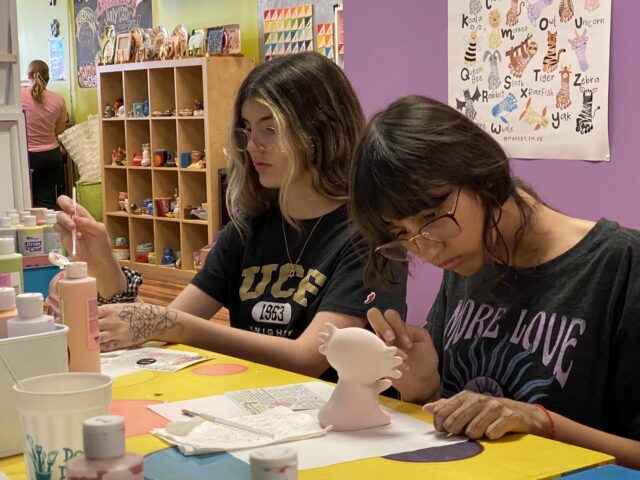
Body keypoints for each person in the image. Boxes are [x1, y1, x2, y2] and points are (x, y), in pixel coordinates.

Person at [55, 52, 407, 380]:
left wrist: (172, 324)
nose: (252, 145)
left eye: (270, 128)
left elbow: (310, 358)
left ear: (320, 132)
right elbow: (159, 328)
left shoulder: (368, 236)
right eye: (247, 128)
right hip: (258, 409)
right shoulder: (248, 230)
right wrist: (104, 264)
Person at [349, 95, 640, 468]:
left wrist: (540, 422)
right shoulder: (467, 261)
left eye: (432, 215)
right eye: (403, 235)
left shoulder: (621, 267)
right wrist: (424, 389)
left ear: (483, 175)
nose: (427, 250)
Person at [21, 60, 67, 209]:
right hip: (51, 157)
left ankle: (28, 232)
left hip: (27, 157)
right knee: (45, 202)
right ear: (48, 77)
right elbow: (60, 131)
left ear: (28, 75)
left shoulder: (18, 96)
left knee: (24, 202)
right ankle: (48, 232)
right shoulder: (59, 99)